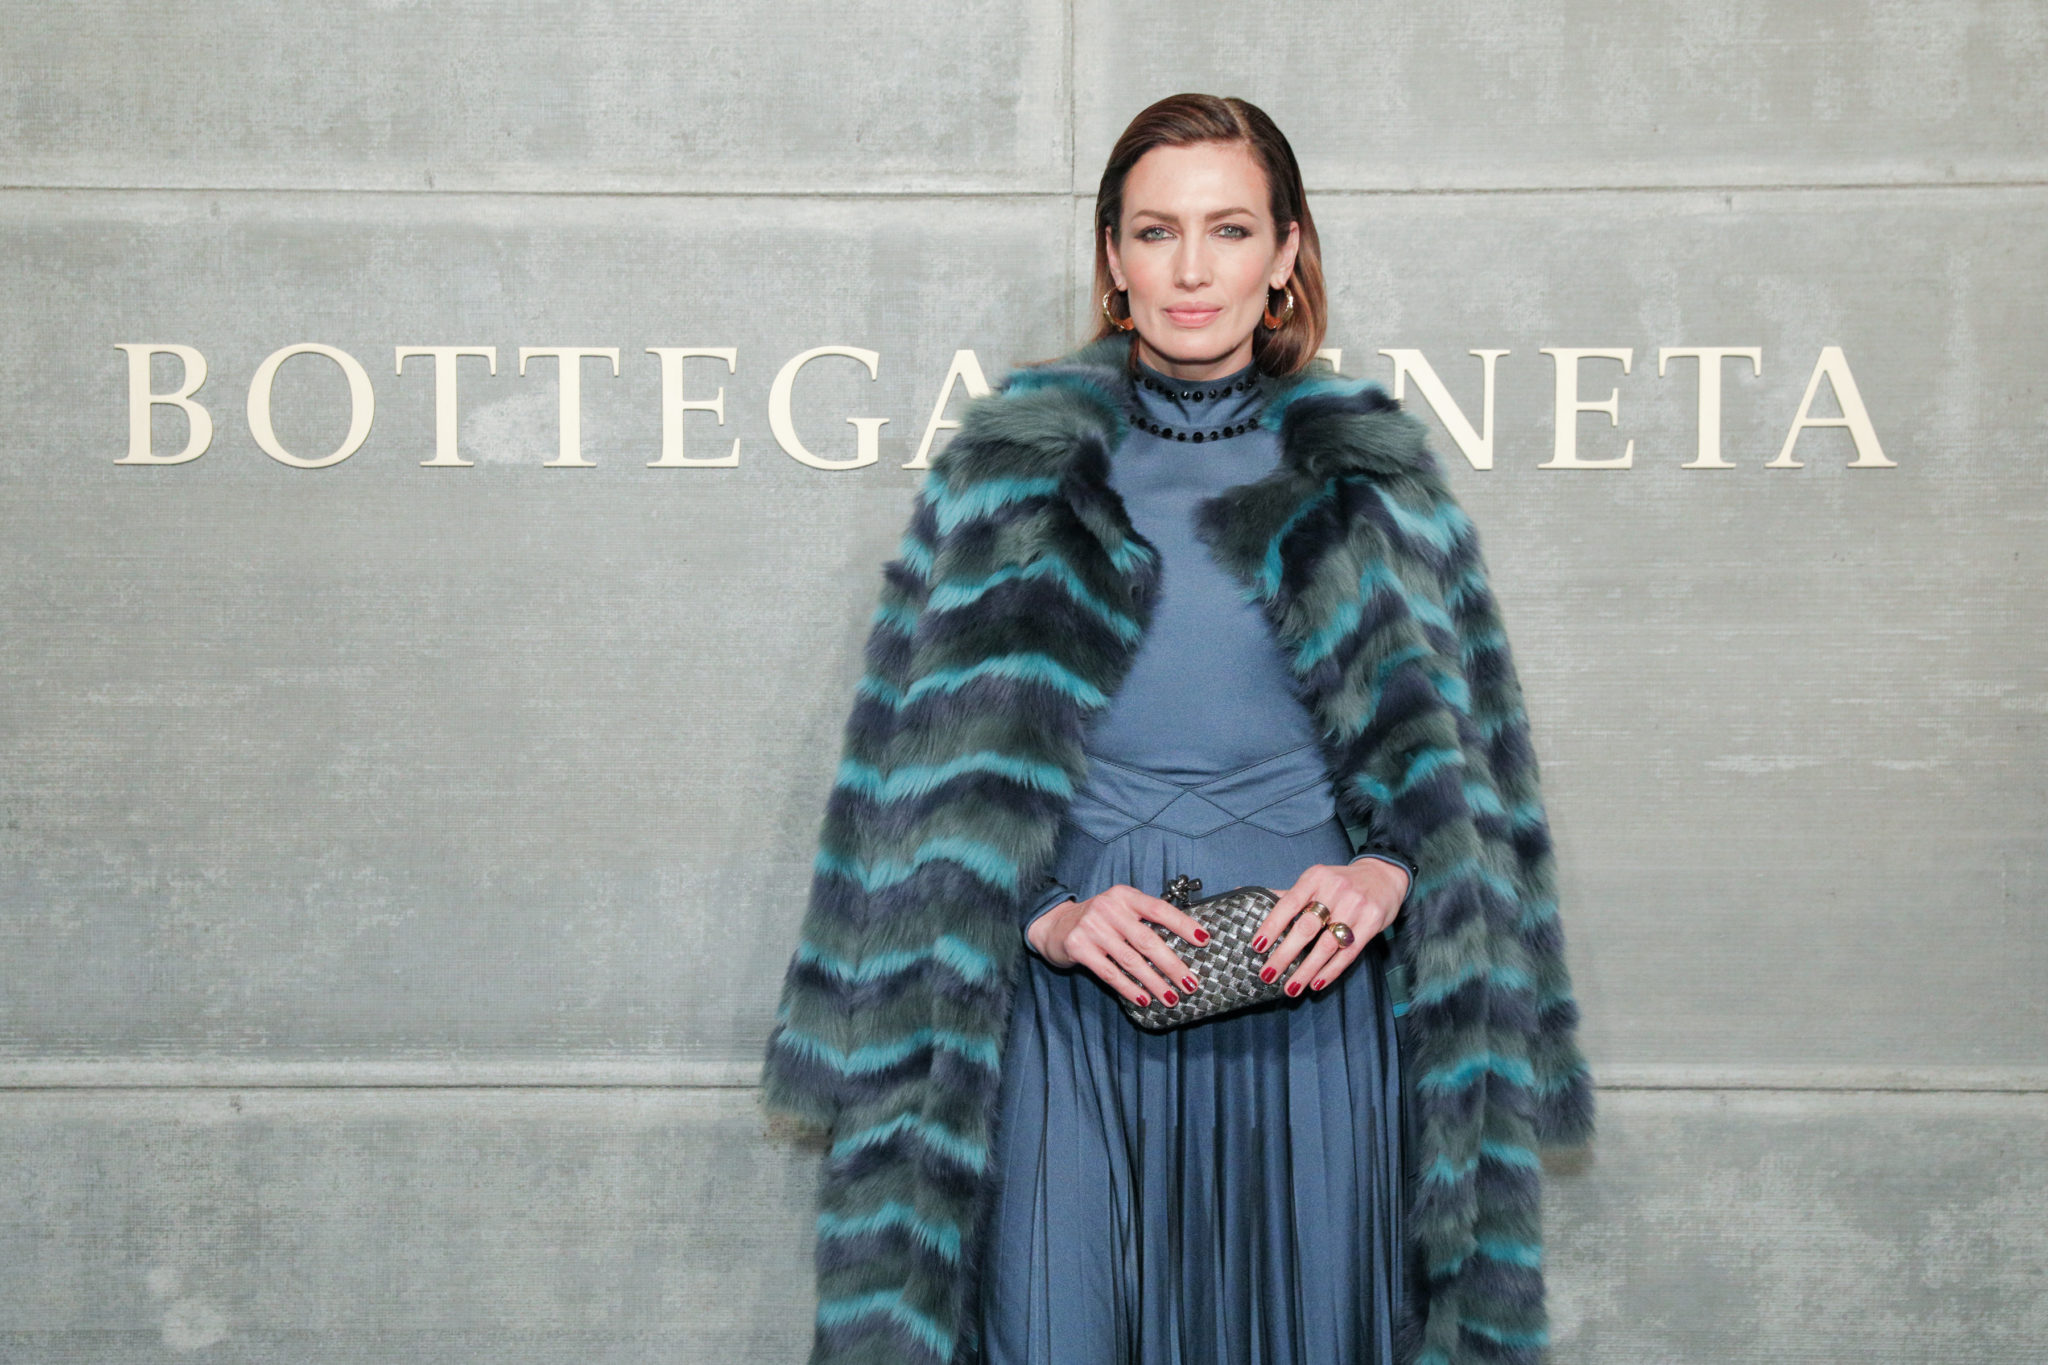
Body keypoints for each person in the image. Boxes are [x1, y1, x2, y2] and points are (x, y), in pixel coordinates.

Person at [762, 93, 1594, 1365]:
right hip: (1066, 1008)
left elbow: (1465, 785)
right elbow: (912, 791)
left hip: (1312, 1006)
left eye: (1229, 229)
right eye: (1156, 232)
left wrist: (1384, 876)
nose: (1191, 269)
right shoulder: (1007, 477)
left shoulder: (1372, 481)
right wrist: (1050, 917)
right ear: (1111, 258)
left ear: (1285, 253)